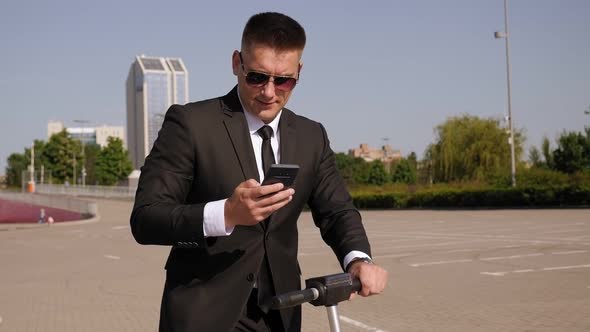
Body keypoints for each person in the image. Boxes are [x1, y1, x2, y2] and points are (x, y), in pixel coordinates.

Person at [130, 12, 388, 332]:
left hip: (281, 312)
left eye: (283, 80)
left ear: (299, 73)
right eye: (257, 76)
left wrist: (359, 259)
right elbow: (146, 218)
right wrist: (225, 213)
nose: (269, 92)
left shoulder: (311, 136)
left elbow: (337, 210)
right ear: (237, 63)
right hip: (204, 314)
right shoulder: (190, 124)